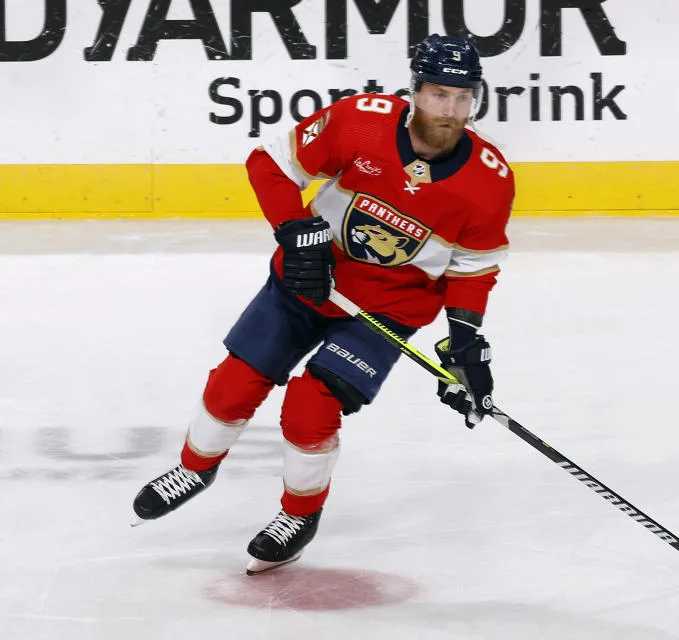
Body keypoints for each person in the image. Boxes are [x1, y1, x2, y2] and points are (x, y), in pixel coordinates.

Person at [131, 34, 515, 575]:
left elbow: (472, 269)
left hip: (387, 310)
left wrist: (466, 340)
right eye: (437, 95)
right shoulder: (359, 121)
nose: (450, 111)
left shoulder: (488, 182)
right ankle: (195, 467)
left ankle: (299, 515)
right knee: (233, 383)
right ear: (414, 91)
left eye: (461, 97)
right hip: (310, 281)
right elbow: (270, 164)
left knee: (311, 407)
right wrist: (294, 229)